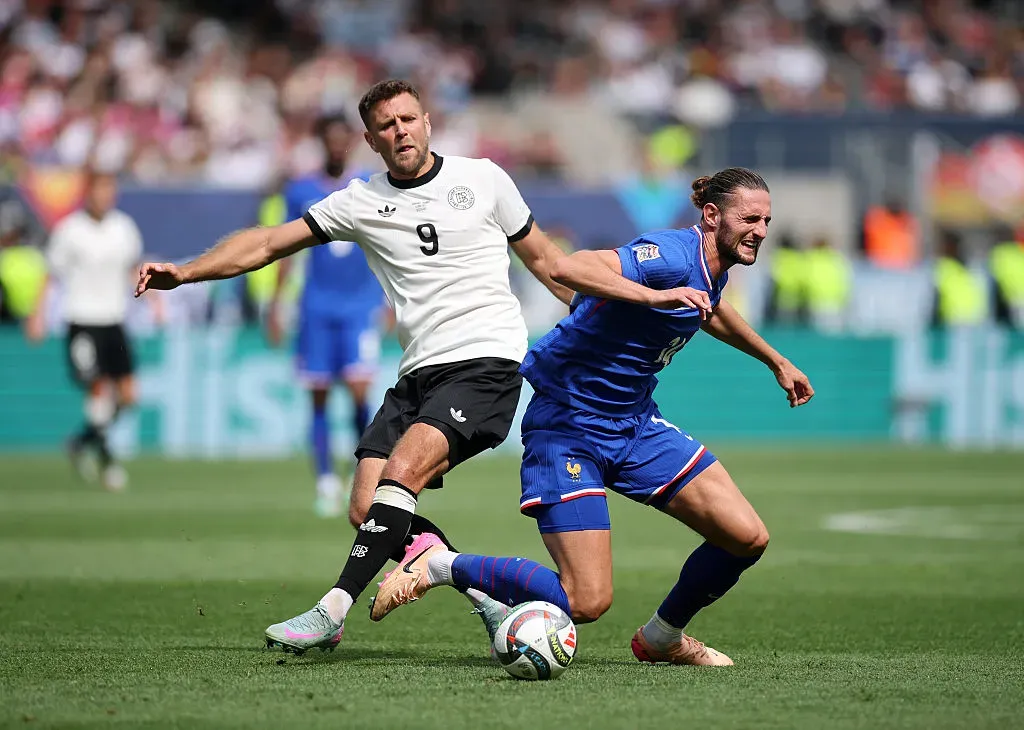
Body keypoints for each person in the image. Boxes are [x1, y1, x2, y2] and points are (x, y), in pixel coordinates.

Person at [134, 79, 574, 654]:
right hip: (419, 371)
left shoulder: (485, 179)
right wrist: (188, 272)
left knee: (401, 476)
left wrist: (610, 319)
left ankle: (331, 609)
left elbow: (547, 261)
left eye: (409, 119)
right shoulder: (360, 201)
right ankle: (492, 603)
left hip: (485, 361)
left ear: (428, 122)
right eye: (387, 125)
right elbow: (268, 243)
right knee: (368, 509)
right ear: (371, 139)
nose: (401, 131)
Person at [370, 168, 815, 667]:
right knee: (586, 601)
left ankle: (663, 637)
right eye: (749, 218)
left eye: (766, 220)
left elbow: (708, 307)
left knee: (746, 537)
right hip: (570, 426)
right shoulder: (670, 254)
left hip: (635, 424)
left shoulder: (714, 267)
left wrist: (776, 361)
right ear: (712, 216)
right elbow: (569, 267)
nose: (760, 229)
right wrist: (653, 296)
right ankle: (440, 564)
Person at [264, 114, 387, 518]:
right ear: (321, 143)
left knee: (358, 391)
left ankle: (361, 476)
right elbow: (286, 248)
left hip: (358, 308)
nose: (336, 146)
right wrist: (278, 304)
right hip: (316, 307)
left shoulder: (368, 188)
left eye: (341, 140)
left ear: (351, 142)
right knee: (317, 398)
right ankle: (324, 480)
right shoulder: (300, 190)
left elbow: (386, 247)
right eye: (329, 139)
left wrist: (388, 301)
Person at [26, 170, 160, 491]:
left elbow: (133, 268)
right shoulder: (70, 230)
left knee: (128, 396)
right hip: (82, 318)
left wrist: (154, 302)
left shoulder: (123, 228)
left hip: (114, 319)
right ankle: (108, 463)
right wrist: (38, 314)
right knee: (98, 388)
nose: (104, 197)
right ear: (88, 194)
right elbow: (51, 274)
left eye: (109, 191)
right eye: (99, 191)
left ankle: (80, 441)